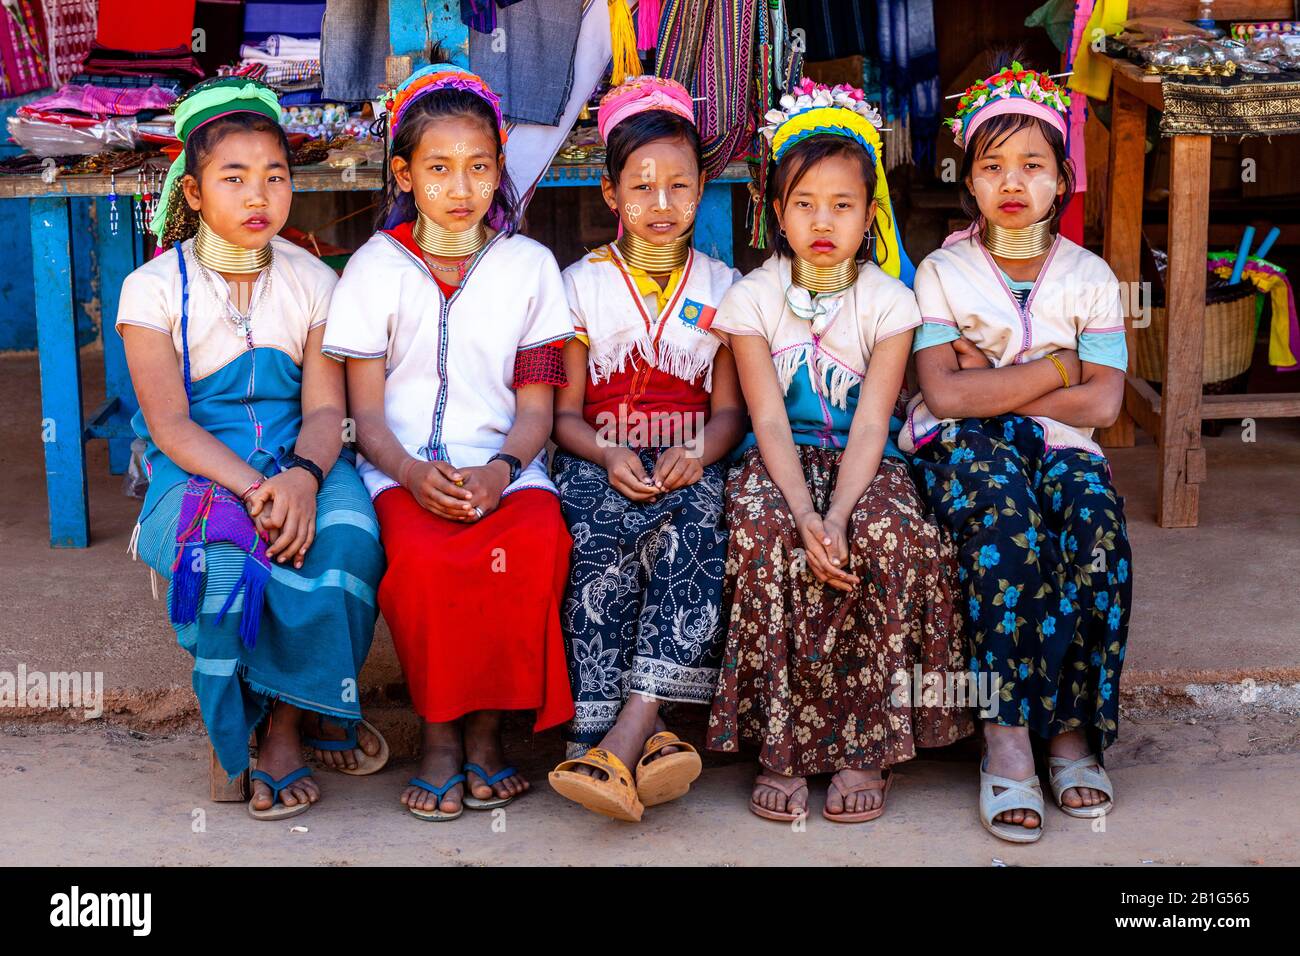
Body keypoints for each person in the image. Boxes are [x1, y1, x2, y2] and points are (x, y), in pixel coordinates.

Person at [119, 77, 387, 822]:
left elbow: (327, 407)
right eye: (232, 178)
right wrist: (254, 491)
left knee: (347, 541)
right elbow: (171, 427)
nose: (257, 194)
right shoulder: (150, 290)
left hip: (303, 460)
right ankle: (255, 722)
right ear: (195, 193)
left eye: (274, 176)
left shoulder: (312, 280)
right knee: (223, 562)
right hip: (202, 470)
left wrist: (302, 479)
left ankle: (287, 728)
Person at [708, 80, 973, 824]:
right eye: (803, 204)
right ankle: (781, 747)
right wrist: (802, 514)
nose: (823, 221)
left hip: (866, 464)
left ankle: (868, 743)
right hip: (781, 462)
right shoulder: (752, 298)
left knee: (890, 537)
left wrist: (840, 513)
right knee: (762, 536)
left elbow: (871, 425)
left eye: (843, 205)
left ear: (871, 212)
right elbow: (765, 414)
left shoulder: (891, 300)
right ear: (776, 212)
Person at [322, 65, 575, 822]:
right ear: (404, 173)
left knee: (534, 547)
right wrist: (406, 470)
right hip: (398, 473)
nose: (461, 187)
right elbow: (364, 417)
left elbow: (536, 410)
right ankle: (438, 736)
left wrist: (501, 471)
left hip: (507, 471)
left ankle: (489, 736)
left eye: (478, 166)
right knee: (426, 562)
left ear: (500, 170)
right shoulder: (373, 270)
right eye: (438, 168)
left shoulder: (528, 268)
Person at [901, 59, 1130, 843]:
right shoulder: (942, 271)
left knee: (1095, 531)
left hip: (1067, 445)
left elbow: (1103, 403)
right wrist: (1063, 367)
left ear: (1062, 178)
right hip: (964, 443)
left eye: (1033, 164)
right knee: (1006, 532)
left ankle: (1069, 730)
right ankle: (1005, 734)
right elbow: (946, 398)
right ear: (968, 180)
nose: (1012, 181)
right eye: (991, 164)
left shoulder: (1092, 277)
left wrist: (1005, 379)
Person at [546, 77, 745, 822]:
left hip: (689, 452)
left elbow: (727, 412)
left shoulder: (726, 289)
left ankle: (619, 737)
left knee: (698, 526)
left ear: (704, 187)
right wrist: (605, 455)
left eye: (681, 187)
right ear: (609, 193)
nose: (662, 206)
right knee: (596, 536)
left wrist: (700, 450)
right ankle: (648, 736)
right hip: (601, 452)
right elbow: (565, 416)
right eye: (643, 187)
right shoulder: (578, 287)